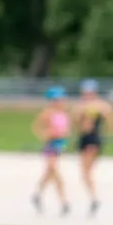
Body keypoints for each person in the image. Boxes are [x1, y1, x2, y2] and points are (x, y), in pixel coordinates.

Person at [73, 78, 113, 216]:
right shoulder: (81, 106)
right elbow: (75, 123)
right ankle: (93, 197)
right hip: (84, 139)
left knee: (86, 171)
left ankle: (94, 198)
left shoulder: (100, 106)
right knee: (85, 172)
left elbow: (112, 122)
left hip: (93, 139)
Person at [30, 86, 71, 215]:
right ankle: (63, 201)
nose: (60, 102)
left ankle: (37, 195)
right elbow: (36, 127)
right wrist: (45, 134)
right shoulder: (47, 113)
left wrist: (63, 135)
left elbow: (66, 130)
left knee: (49, 172)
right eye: (57, 100)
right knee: (53, 170)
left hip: (59, 144)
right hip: (50, 144)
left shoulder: (64, 114)